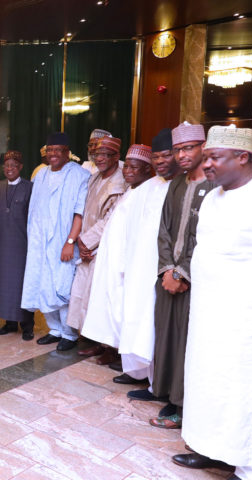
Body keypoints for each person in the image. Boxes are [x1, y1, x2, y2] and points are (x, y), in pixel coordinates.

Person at [174, 126, 252, 480]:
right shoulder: (211, 198)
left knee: (245, 392)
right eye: (205, 157)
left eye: (214, 158)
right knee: (210, 386)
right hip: (209, 317)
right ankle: (214, 452)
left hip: (248, 322)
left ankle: (251, 469)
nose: (206, 165)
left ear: (243, 157)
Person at [129, 122, 213, 430]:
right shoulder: (177, 184)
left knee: (187, 344)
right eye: (178, 149)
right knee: (166, 338)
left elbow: (208, 237)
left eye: (188, 148)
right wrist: (167, 269)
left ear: (203, 147)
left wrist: (183, 272)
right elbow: (163, 231)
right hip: (167, 277)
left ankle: (183, 404)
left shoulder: (214, 187)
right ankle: (166, 394)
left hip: (196, 282)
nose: (182, 155)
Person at [80, 144, 157, 377]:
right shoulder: (131, 190)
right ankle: (111, 350)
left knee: (124, 311)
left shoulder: (148, 191)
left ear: (148, 169)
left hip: (128, 266)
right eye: (128, 167)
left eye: (135, 168)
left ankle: (126, 360)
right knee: (108, 307)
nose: (128, 172)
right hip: (110, 260)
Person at [114, 129, 180, 385]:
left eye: (166, 155)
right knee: (135, 320)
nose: (161, 161)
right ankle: (138, 372)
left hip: (163, 272)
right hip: (137, 269)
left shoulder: (181, 186)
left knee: (155, 325)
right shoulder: (145, 188)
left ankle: (156, 383)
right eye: (156, 157)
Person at [21, 132, 90, 351]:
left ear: (67, 152)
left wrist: (70, 241)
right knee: (42, 284)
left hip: (63, 241)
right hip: (40, 241)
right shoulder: (40, 175)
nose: (53, 154)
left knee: (61, 286)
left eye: (58, 150)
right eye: (50, 150)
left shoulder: (80, 175)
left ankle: (69, 334)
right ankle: (54, 329)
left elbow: (80, 213)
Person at [67, 135, 126, 361]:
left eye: (105, 155)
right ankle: (95, 341)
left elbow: (111, 219)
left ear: (116, 157)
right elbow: (84, 209)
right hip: (87, 245)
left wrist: (87, 242)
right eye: (97, 155)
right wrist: (81, 241)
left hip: (103, 247)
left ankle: (110, 348)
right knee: (85, 296)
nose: (100, 159)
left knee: (102, 298)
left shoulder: (120, 182)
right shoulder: (94, 178)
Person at [0, 150, 35, 339]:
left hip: (22, 245)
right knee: (5, 284)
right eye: (7, 165)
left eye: (13, 165)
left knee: (22, 284)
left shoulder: (30, 187)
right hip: (3, 245)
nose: (9, 169)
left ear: (20, 167)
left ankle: (27, 326)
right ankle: (9, 323)